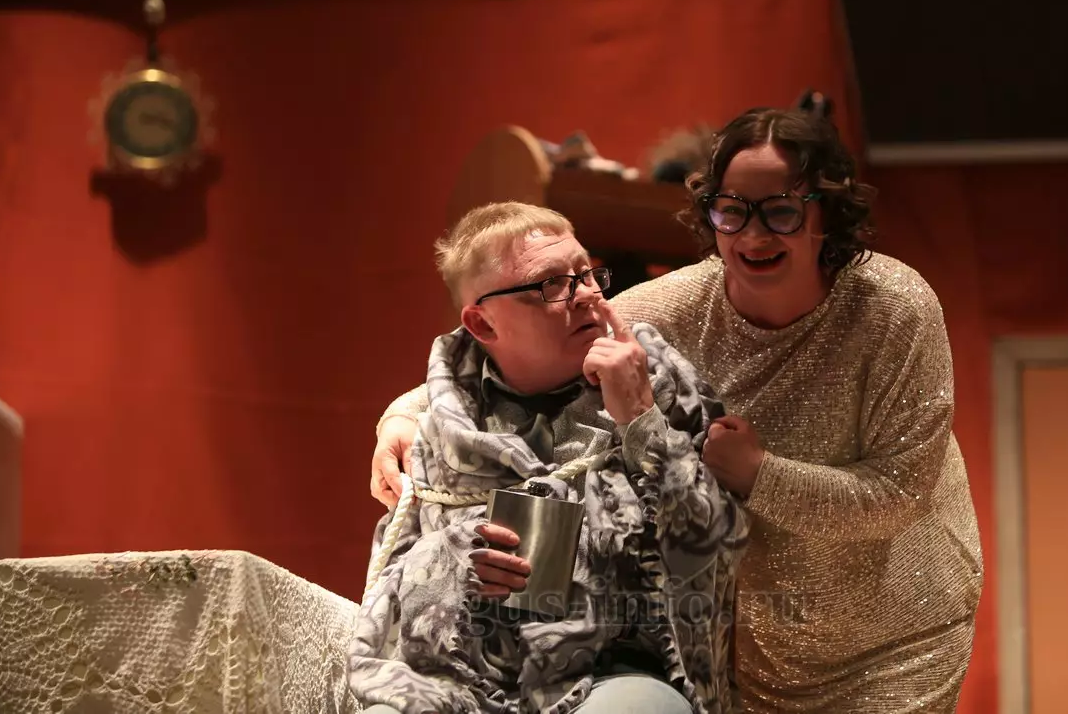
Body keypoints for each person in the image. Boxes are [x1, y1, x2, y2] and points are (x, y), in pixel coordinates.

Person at [373, 108, 984, 713]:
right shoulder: (674, 308)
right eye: (731, 211)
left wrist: (759, 474)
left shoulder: (891, 307)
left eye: (781, 211)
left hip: (893, 636)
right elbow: (520, 354)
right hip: (752, 653)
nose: (752, 235)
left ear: (825, 212)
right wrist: (399, 419)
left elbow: (899, 494)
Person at [351, 202, 749, 714]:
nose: (587, 294)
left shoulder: (657, 382)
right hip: (465, 673)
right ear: (482, 324)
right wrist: (450, 563)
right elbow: (389, 584)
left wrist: (640, 421)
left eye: (587, 273)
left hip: (615, 669)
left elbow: (717, 547)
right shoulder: (442, 426)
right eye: (552, 285)